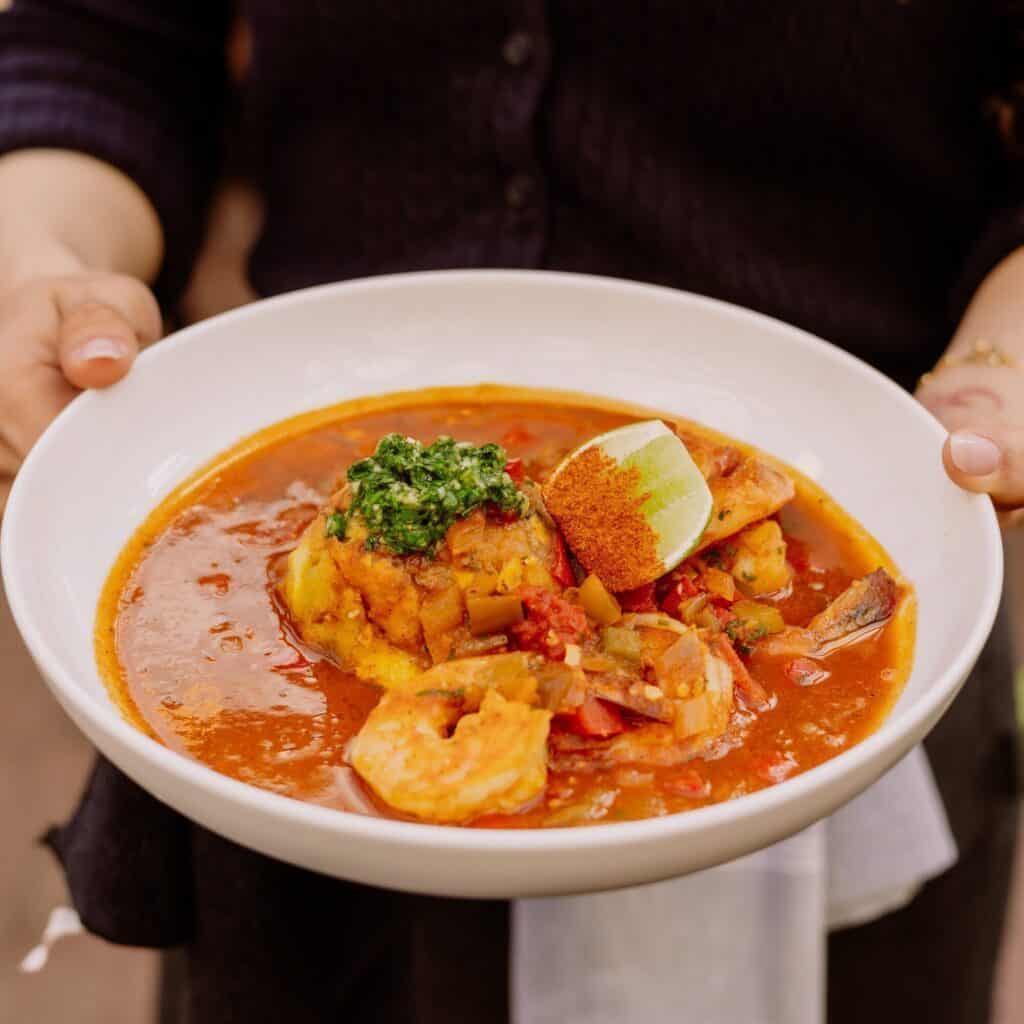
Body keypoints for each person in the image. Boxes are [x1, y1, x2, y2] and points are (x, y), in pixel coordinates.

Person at [0, 3, 1021, 1022]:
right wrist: (36, 257)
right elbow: (110, 37)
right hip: (291, 844)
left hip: (870, 543)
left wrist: (1001, 362)